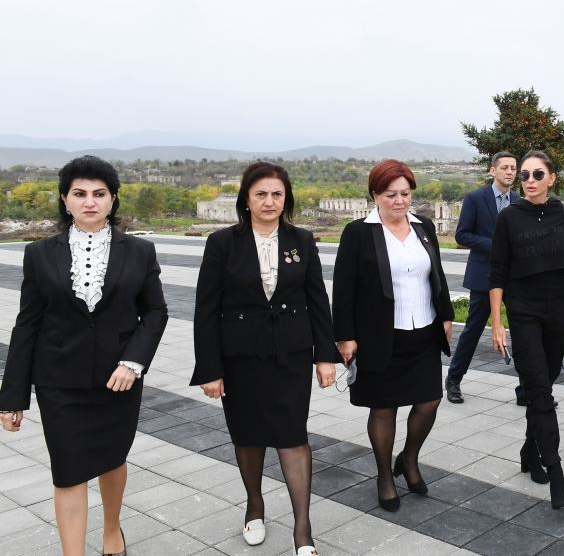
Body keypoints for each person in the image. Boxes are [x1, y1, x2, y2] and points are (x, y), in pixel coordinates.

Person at [0, 155, 168, 556]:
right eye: (80, 194)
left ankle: (112, 532)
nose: (89, 201)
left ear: (113, 199)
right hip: (59, 382)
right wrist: (11, 396)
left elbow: (157, 311)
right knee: (68, 471)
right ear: (65, 199)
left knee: (112, 460)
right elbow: (27, 324)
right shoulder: (39, 254)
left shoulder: (140, 251)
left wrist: (133, 362)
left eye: (99, 194)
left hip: (118, 380)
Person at [191, 161, 338, 556]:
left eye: (276, 194)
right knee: (249, 437)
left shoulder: (302, 240)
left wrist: (326, 356)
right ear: (246, 199)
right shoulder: (222, 243)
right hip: (240, 357)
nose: (269, 201)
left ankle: (302, 529)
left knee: (294, 438)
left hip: (290, 355)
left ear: (286, 197)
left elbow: (317, 300)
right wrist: (209, 368)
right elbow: (205, 309)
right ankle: (254, 505)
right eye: (261, 194)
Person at [332, 159, 454, 512]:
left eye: (405, 193)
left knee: (429, 400)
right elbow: (344, 288)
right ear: (375, 195)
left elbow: (438, 275)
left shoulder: (424, 226)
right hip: (378, 336)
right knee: (384, 409)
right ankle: (384, 475)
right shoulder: (358, 233)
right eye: (391, 194)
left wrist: (445, 314)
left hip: (424, 331)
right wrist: (345, 336)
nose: (400, 201)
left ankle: (409, 459)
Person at [489, 150, 564, 509]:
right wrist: (497, 322)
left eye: (538, 174)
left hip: (560, 313)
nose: (530, 181)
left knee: (544, 386)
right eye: (524, 176)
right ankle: (557, 473)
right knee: (538, 388)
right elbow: (498, 272)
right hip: (523, 312)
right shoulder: (508, 217)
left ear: (552, 177)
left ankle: (529, 450)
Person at [446, 151, 519, 404]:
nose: (510, 172)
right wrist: (496, 245)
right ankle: (453, 380)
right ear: (493, 171)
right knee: (473, 330)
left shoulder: (520, 200)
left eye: (513, 168)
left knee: (522, 330)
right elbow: (462, 235)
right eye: (505, 167)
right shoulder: (476, 198)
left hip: (514, 278)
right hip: (483, 276)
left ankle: (527, 388)